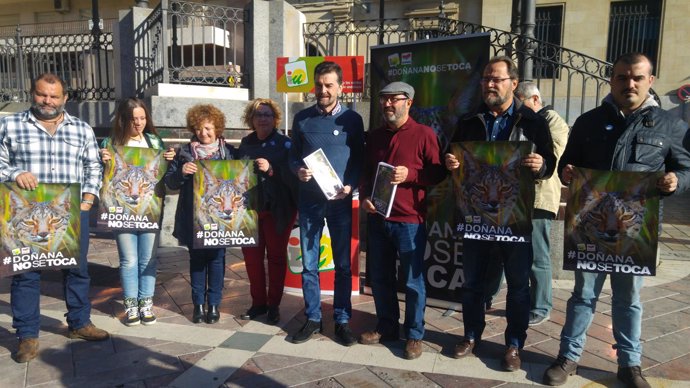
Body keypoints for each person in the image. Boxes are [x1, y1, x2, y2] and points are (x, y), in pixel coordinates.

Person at [543, 52, 690, 388]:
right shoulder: (588, 122)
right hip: (589, 231)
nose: (630, 83)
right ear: (612, 80)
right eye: (622, 77)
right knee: (583, 296)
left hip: (636, 235)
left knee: (629, 300)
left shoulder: (671, 126)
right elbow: (568, 165)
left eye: (637, 77)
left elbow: (686, 169)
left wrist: (676, 181)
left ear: (650, 80)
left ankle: (630, 364)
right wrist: (566, 172)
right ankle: (569, 357)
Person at [445, 56, 556, 371]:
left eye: (496, 79)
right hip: (475, 216)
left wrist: (541, 165)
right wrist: (449, 161)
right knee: (472, 282)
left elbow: (549, 162)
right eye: (485, 80)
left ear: (513, 83)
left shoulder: (533, 122)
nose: (489, 85)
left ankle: (514, 344)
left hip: (516, 217)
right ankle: (470, 334)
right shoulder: (469, 121)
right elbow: (450, 154)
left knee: (519, 284)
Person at [0, 73, 110, 363]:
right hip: (25, 217)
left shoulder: (81, 129)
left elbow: (92, 166)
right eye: (41, 94)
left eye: (54, 96)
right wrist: (13, 173)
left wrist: (89, 198)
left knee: (77, 270)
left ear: (65, 98)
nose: (47, 101)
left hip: (71, 214)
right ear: (32, 93)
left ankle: (79, 323)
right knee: (26, 274)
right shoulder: (9, 124)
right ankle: (27, 335)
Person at [358, 82, 445, 359]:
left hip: (410, 220)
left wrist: (411, 175)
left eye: (394, 99)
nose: (387, 105)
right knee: (380, 278)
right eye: (383, 99)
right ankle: (386, 327)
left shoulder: (424, 134)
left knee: (412, 280)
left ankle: (415, 334)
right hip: (378, 217)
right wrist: (364, 198)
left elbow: (438, 173)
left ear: (409, 102)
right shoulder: (374, 137)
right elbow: (366, 173)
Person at [288, 61, 365, 345]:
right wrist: (298, 169)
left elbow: (359, 159)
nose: (323, 90)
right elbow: (293, 155)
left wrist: (351, 184)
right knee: (310, 264)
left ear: (340, 87)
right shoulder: (302, 119)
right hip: (309, 203)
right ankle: (313, 318)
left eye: (329, 85)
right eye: (319, 85)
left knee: (343, 265)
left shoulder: (353, 121)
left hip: (340, 202)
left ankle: (342, 319)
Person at [100, 98, 175, 326]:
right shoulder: (110, 143)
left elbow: (163, 176)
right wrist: (101, 160)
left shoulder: (154, 141)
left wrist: (169, 161)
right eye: (134, 119)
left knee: (148, 259)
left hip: (150, 208)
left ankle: (146, 302)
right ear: (124, 120)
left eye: (143, 118)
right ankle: (131, 304)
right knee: (129, 259)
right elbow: (102, 175)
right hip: (121, 209)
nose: (139, 123)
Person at [164, 104, 236, 324]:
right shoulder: (184, 153)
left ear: (217, 128)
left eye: (208, 128)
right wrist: (182, 173)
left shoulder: (230, 153)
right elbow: (170, 182)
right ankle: (198, 305)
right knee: (196, 262)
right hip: (193, 218)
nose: (203, 133)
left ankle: (214, 304)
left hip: (220, 219)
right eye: (198, 129)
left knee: (217, 260)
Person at [237, 98, 297, 324]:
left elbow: (294, 177)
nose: (263, 118)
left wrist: (272, 169)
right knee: (251, 259)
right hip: (250, 210)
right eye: (258, 115)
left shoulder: (285, 144)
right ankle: (258, 303)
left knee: (276, 258)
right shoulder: (245, 143)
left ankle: (274, 304)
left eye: (267, 115)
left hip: (278, 210)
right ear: (251, 119)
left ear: (275, 119)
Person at [514, 82, 570, 326]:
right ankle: (489, 295)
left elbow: (555, 154)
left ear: (535, 100)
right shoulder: (520, 120)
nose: (518, 108)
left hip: (540, 196)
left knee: (538, 254)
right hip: (516, 196)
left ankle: (541, 306)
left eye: (521, 102)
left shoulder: (552, 119)